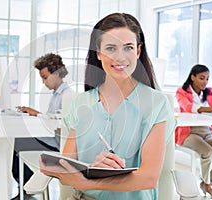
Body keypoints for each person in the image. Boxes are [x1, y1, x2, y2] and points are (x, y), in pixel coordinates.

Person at [40, 13, 175, 200]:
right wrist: (91, 169)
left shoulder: (157, 104)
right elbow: (65, 170)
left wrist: (88, 182)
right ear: (98, 52)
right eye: (111, 48)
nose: (120, 57)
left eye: (128, 48)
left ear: (138, 51)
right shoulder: (81, 103)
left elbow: (148, 178)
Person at [11, 53, 73, 200]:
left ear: (56, 73)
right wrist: (35, 114)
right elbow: (53, 118)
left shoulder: (67, 95)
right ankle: (26, 187)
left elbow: (60, 124)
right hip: (52, 139)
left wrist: (37, 115)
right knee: (18, 141)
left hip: (58, 145)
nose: (43, 82)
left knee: (18, 143)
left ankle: (26, 189)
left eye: (45, 77)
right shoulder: (57, 94)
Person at [175, 64, 212, 199]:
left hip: (207, 132)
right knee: (208, 153)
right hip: (189, 133)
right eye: (202, 78)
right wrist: (211, 109)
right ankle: (208, 183)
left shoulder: (209, 92)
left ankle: (210, 184)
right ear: (193, 77)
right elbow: (188, 107)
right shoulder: (181, 92)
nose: (205, 82)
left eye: (207, 79)